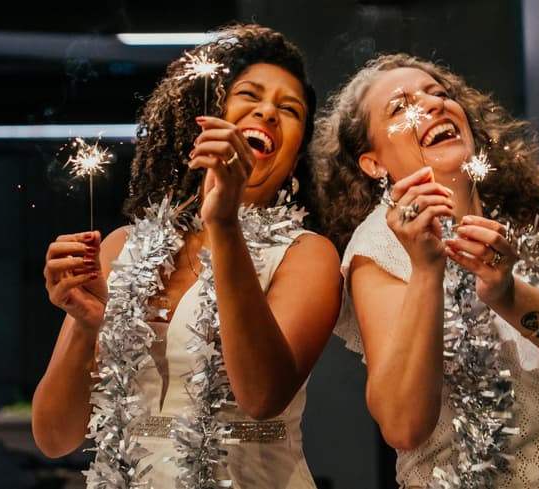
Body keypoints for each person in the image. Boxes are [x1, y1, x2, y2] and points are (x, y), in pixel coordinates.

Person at [32, 24, 342, 488]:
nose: (267, 111)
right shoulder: (122, 247)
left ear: (296, 156)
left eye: (289, 109)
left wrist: (225, 223)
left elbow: (261, 396)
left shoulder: (307, 255)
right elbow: (55, 439)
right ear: (206, 118)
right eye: (250, 95)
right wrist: (85, 326)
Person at [310, 53, 539, 487]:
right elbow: (403, 426)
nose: (433, 105)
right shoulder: (377, 251)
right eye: (401, 106)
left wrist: (508, 295)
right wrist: (427, 272)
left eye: (439, 94)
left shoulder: (534, 220)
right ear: (374, 164)